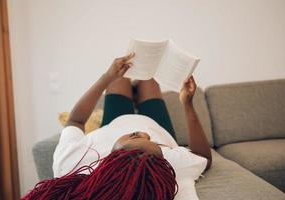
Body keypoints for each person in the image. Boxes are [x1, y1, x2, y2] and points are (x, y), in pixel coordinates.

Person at [23, 52, 212, 200]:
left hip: (115, 121)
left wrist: (107, 77)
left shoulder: (71, 165)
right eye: (157, 146)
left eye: (135, 136)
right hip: (158, 125)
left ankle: (130, 87)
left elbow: (75, 121)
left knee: (120, 78)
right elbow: (203, 158)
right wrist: (187, 103)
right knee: (148, 78)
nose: (145, 134)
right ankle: (140, 88)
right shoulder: (169, 164)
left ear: (110, 161)